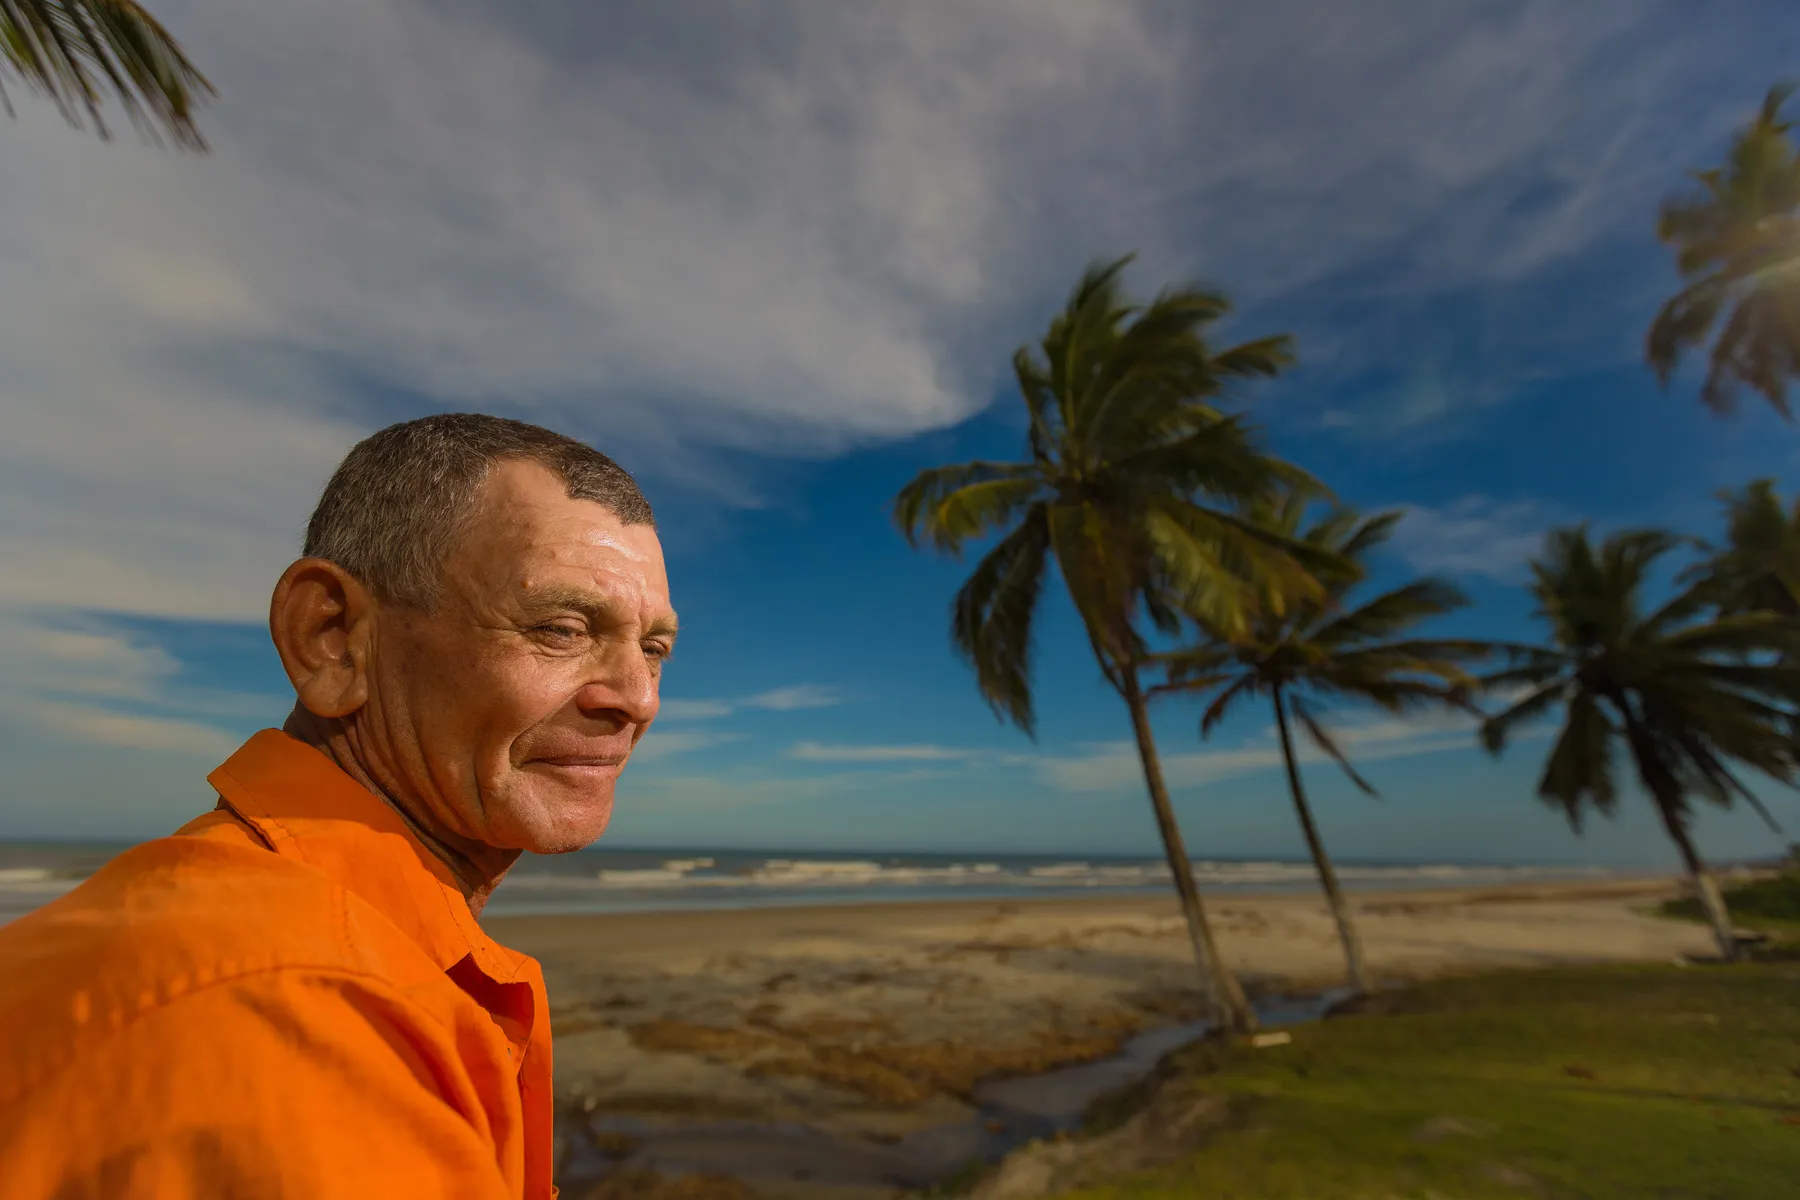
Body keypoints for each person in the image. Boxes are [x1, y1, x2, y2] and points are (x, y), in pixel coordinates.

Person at [0, 413, 675, 1199]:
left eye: (653, 648)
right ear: (330, 637)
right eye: (560, 629)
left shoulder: (257, 923)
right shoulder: (293, 1007)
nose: (637, 699)